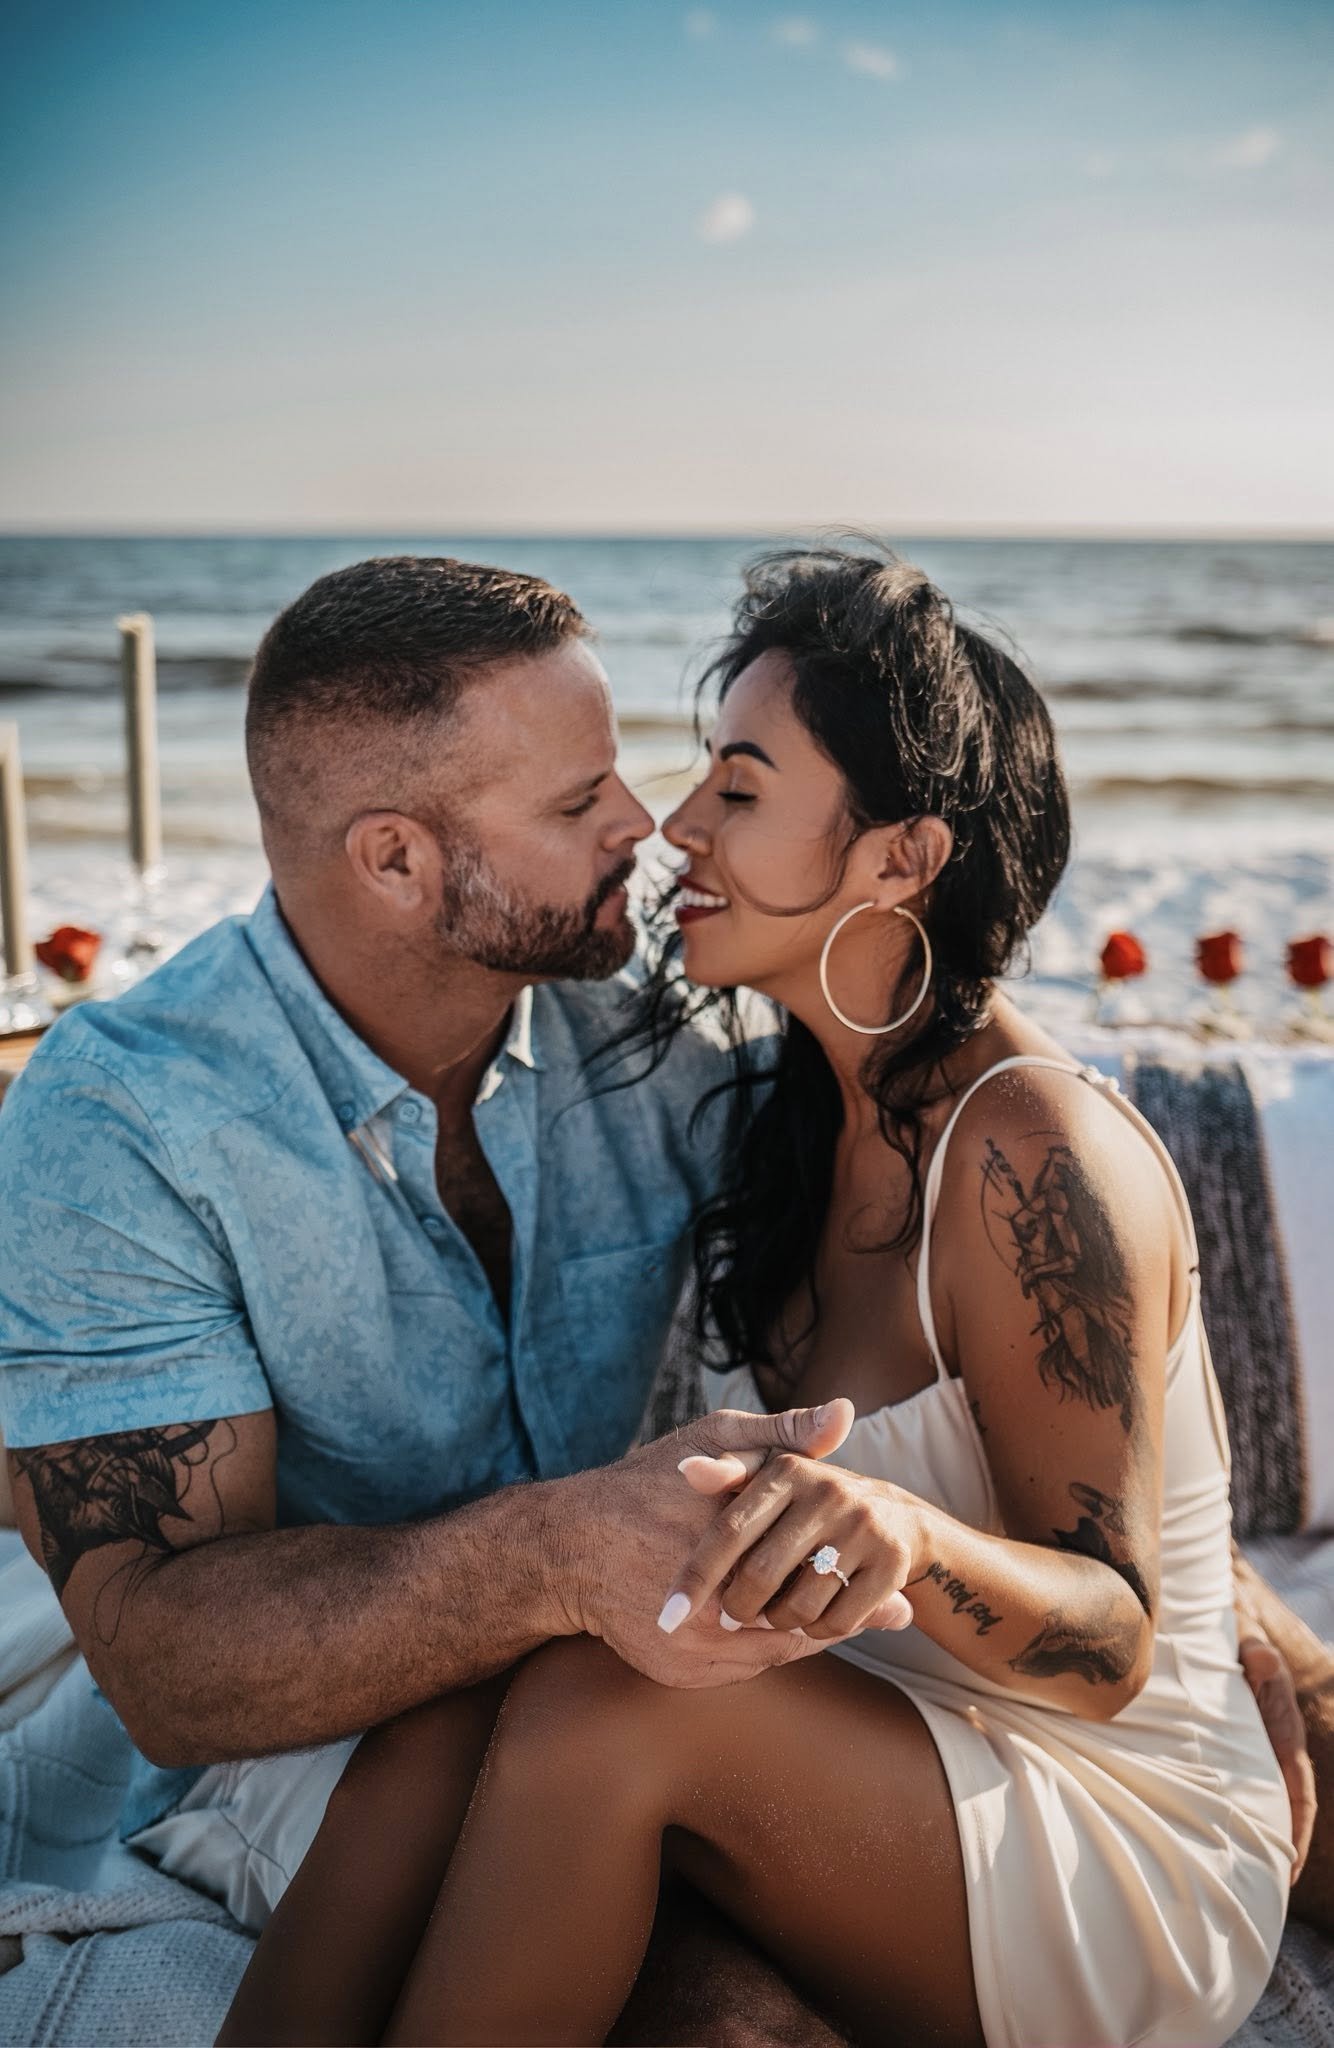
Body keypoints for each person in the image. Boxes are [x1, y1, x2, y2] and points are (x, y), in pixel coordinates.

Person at [0, 553, 1308, 2048]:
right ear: (393, 859)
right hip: (513, 1716)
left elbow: (1101, 1532)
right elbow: (160, 1638)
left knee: (615, 1747)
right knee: (514, 1700)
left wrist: (1236, 1639)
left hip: (994, 1777)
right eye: (582, 803)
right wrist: (554, 1561)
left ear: (895, 857)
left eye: (719, 788)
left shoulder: (712, 1083)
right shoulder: (149, 1116)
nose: (654, 824)